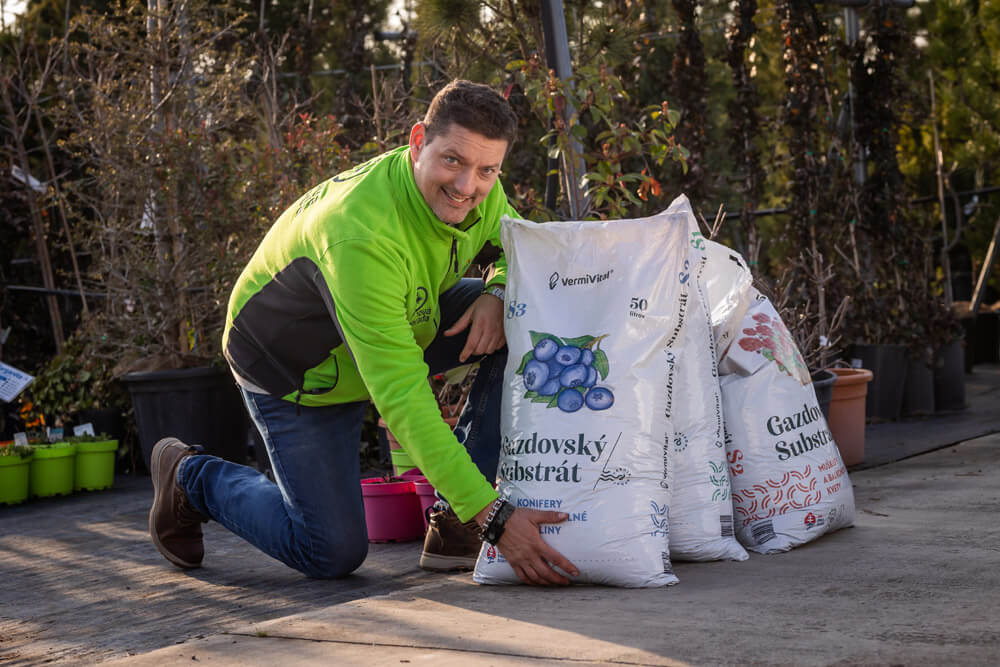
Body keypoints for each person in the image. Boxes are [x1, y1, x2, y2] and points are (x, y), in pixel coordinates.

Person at [148, 80, 579, 586]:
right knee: (330, 551)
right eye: (452, 162)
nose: (468, 186)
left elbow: (516, 244)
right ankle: (190, 478)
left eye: (487, 170)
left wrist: (500, 293)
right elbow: (400, 395)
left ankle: (455, 521)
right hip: (298, 374)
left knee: (526, 314)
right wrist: (497, 518)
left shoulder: (481, 188)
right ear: (418, 142)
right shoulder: (360, 235)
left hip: (394, 325)